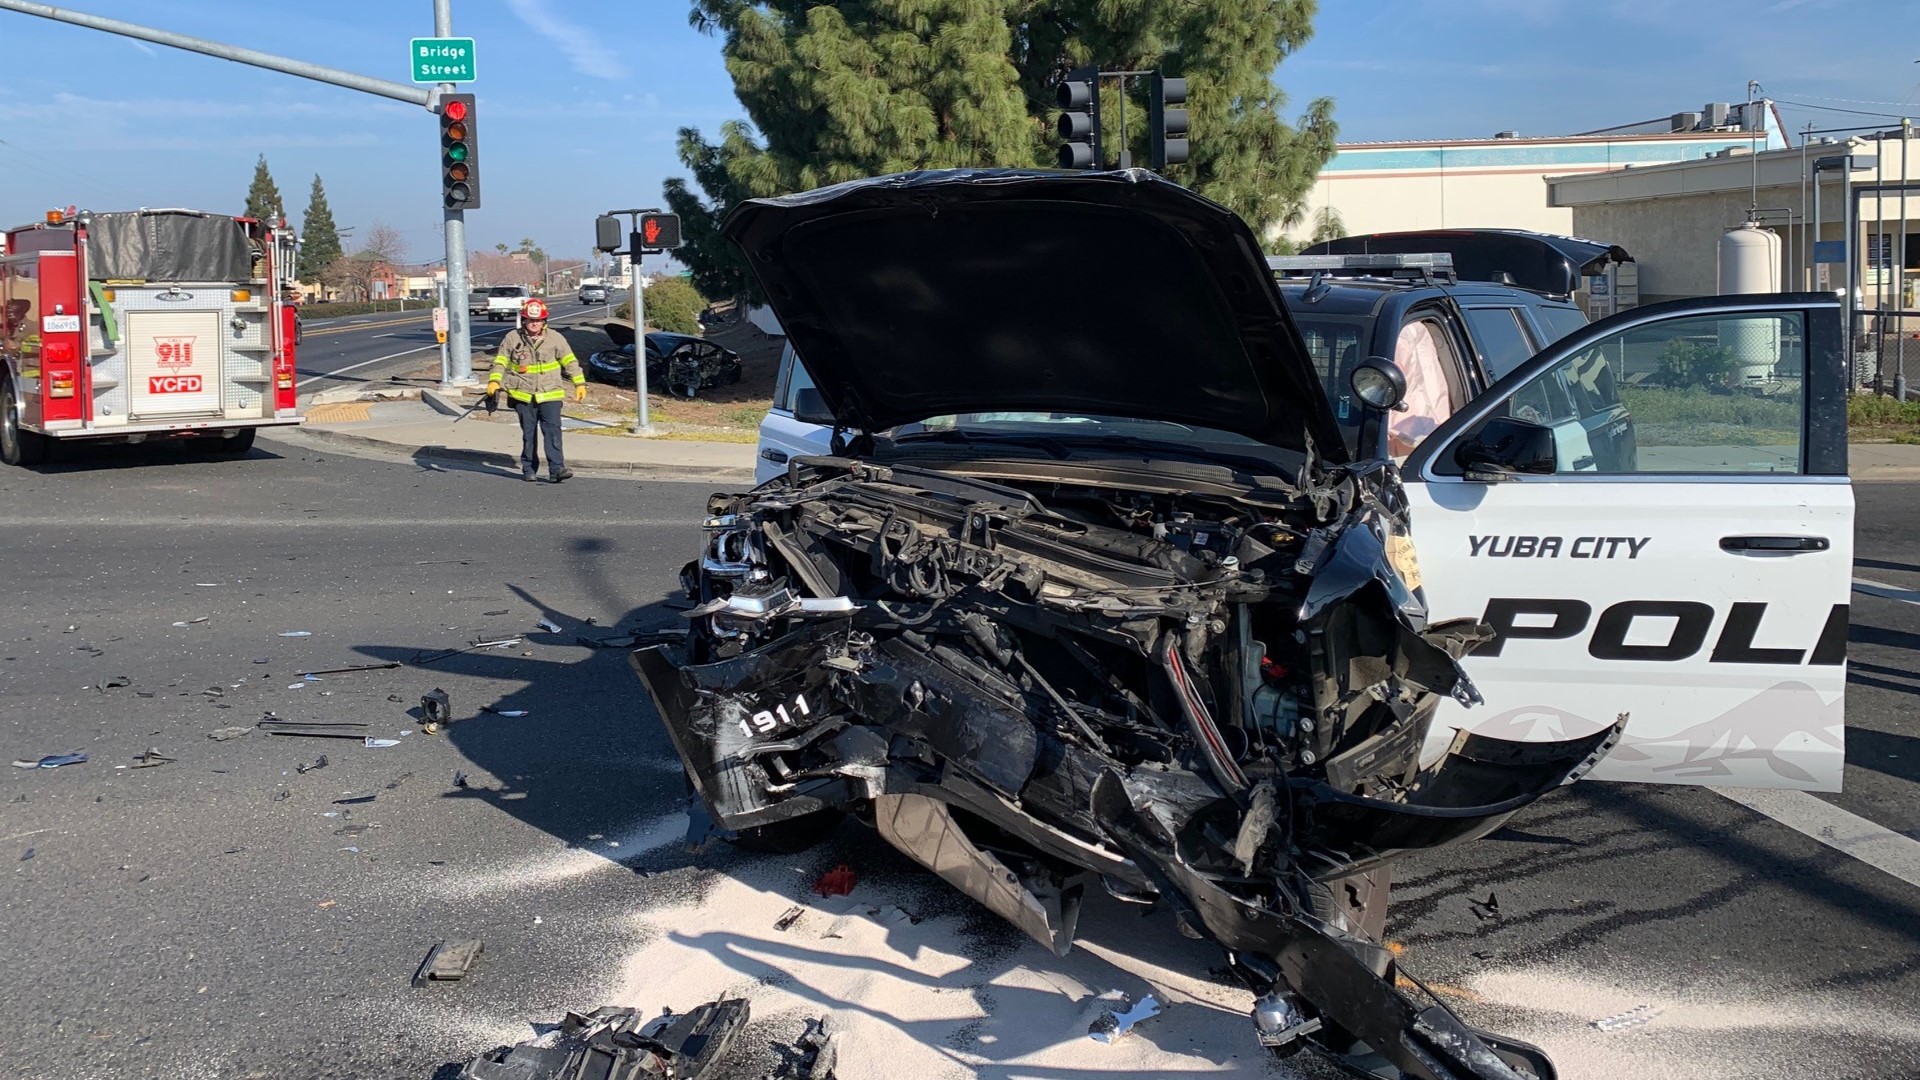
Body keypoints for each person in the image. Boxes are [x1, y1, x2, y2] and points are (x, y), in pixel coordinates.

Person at [487, 298, 587, 482]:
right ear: (524, 320)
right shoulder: (512, 338)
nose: (534, 324)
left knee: (553, 432)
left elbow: (570, 362)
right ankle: (529, 469)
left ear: (544, 321)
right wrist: (494, 381)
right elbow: (500, 361)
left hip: (550, 393)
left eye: (538, 320)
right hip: (523, 395)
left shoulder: (556, 338)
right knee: (528, 434)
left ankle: (557, 469)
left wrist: (579, 383)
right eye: (530, 320)